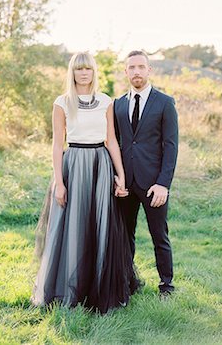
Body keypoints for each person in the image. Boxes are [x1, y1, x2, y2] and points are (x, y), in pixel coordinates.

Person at [31, 51, 138, 314]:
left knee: (100, 225)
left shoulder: (105, 101)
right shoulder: (63, 102)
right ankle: (70, 288)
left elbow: (112, 140)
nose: (83, 73)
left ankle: (99, 287)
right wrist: (59, 181)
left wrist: (121, 174)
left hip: (101, 164)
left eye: (88, 69)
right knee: (74, 226)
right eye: (79, 69)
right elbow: (57, 144)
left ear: (93, 72)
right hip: (74, 164)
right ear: (73, 73)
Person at [114, 50, 178, 298]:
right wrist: (116, 178)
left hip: (153, 184)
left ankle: (166, 286)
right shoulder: (118, 105)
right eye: (131, 67)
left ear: (150, 70)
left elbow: (170, 146)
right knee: (124, 237)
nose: (136, 71)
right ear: (126, 72)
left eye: (141, 66)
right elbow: (116, 143)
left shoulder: (164, 103)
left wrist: (163, 183)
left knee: (159, 235)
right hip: (125, 184)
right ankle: (127, 283)